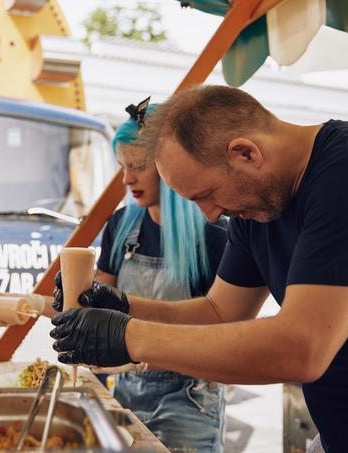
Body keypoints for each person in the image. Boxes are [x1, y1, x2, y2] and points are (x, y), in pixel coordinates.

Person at [49, 85, 348, 453]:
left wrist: (128, 337)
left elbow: (301, 348)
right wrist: (124, 307)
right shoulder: (256, 204)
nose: (210, 214)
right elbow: (219, 312)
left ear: (245, 152)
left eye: (206, 195)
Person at [87, 97, 227, 452]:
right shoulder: (121, 226)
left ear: (169, 165)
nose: (127, 179)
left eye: (137, 166)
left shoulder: (214, 236)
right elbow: (100, 306)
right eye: (121, 167)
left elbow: (225, 333)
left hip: (189, 397)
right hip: (127, 388)